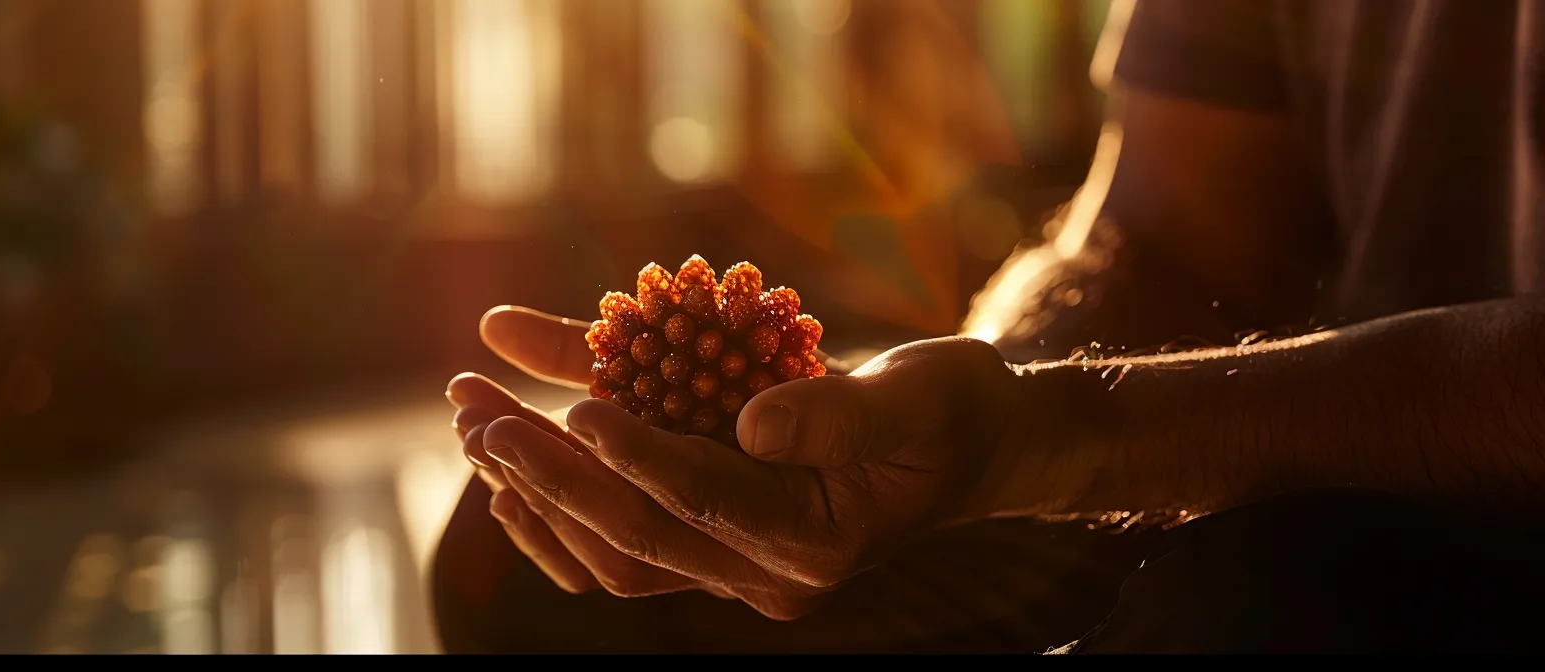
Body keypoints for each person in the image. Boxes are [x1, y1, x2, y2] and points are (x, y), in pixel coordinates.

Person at [433, 0, 1545, 654]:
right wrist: (930, 408)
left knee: (1248, 603)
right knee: (524, 577)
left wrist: (1041, 438)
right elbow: (1157, 240)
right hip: (1289, 444)